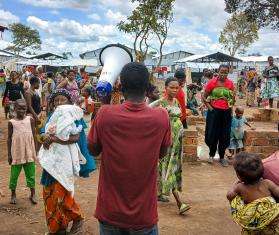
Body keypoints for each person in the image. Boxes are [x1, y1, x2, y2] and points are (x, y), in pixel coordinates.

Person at [88, 62, 171, 235]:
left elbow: (93, 150)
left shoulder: (105, 114)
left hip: (110, 211)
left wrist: (105, 103)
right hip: (144, 215)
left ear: (120, 86)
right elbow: (162, 153)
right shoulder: (162, 116)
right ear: (147, 87)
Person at [39, 89, 86, 235]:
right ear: (52, 104)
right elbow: (42, 132)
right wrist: (44, 137)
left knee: (61, 195)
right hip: (50, 163)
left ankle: (77, 217)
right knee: (48, 195)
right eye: (56, 101)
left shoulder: (73, 117)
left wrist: (54, 139)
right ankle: (58, 228)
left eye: (62, 100)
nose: (59, 103)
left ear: (69, 102)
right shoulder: (52, 118)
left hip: (64, 162)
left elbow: (75, 138)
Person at [150, 77, 191, 214]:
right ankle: (180, 202)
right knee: (169, 167)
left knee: (166, 166)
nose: (174, 90)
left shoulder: (177, 102)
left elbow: (179, 119)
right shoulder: (159, 103)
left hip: (177, 142)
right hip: (166, 141)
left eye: (177, 88)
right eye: (171, 87)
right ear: (165, 88)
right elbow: (146, 113)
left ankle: (159, 193)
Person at [227, 152, 279, 234]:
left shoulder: (240, 187)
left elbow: (229, 196)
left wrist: (235, 184)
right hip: (269, 221)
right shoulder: (267, 183)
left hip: (252, 225)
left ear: (239, 176)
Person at [203, 64, 235, 167]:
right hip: (214, 112)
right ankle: (211, 155)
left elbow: (232, 100)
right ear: (218, 71)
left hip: (226, 113)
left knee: (224, 134)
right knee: (213, 133)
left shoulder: (230, 84)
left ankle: (222, 157)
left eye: (226, 72)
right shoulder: (212, 83)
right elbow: (204, 97)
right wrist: (211, 109)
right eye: (222, 72)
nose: (223, 74)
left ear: (228, 72)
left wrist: (231, 111)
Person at [7, 99, 37, 205]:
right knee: (14, 175)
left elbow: (34, 135)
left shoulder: (30, 120)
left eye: (24, 108)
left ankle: (33, 193)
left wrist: (36, 151)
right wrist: (9, 154)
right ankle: (13, 194)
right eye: (19, 108)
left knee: (31, 174)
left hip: (29, 152)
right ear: (15, 109)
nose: (22, 110)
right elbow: (9, 139)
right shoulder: (12, 122)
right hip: (17, 152)